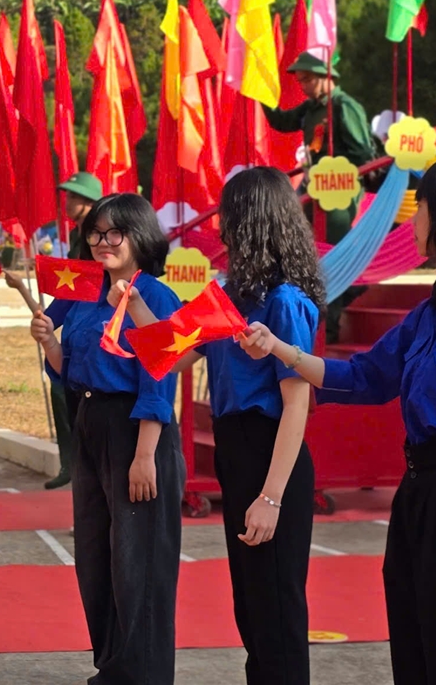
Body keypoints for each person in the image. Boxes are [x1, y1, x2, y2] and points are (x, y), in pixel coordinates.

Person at [239, 154, 436, 685]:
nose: (413, 222)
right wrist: (282, 351)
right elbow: (363, 376)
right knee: (416, 656)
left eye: (419, 208)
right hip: (416, 501)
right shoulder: (433, 313)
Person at [121, 167, 323, 685]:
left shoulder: (284, 302)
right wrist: (135, 302)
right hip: (238, 451)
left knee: (276, 609)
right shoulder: (228, 295)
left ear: (252, 221)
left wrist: (272, 496)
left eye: (230, 216)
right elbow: (172, 352)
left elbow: (296, 404)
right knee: (252, 605)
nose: (223, 230)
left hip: (270, 454)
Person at [29, 193, 184, 684]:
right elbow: (71, 370)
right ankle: (112, 666)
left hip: (137, 428)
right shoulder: (82, 293)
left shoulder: (155, 296)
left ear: (140, 236)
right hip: (91, 421)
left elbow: (159, 374)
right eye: (96, 232)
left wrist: (145, 455)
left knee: (140, 563)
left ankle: (144, 674)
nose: (102, 241)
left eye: (115, 232)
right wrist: (49, 342)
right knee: (97, 557)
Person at [261, 52, 379, 245]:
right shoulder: (310, 108)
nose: (303, 87)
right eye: (300, 81)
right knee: (303, 234)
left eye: (308, 80)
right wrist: (262, 94)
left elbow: (362, 153)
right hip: (314, 182)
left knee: (334, 238)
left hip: (339, 185)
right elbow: (281, 122)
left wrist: (344, 176)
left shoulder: (344, 106)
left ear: (326, 75)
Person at [48, 170, 104, 490]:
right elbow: (73, 285)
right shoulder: (75, 238)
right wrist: (50, 320)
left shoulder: (101, 237)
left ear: (89, 202)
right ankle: (69, 463)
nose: (66, 202)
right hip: (74, 325)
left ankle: (79, 471)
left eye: (72, 196)